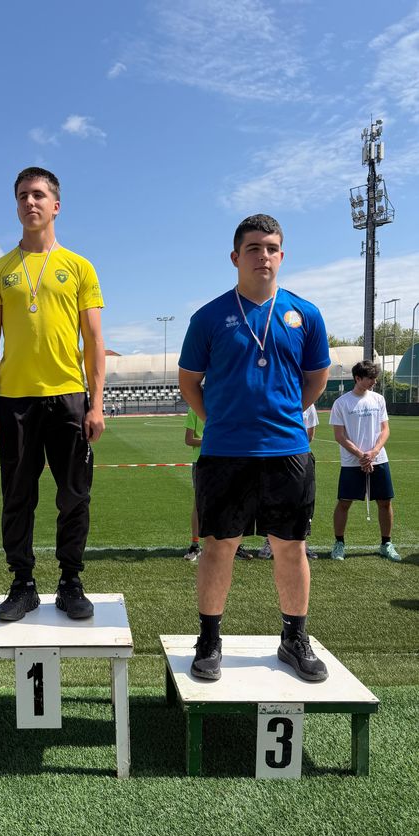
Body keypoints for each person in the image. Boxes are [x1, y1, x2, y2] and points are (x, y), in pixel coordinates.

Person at [179, 214, 330, 682]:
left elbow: (316, 380)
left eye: (271, 248)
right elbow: (189, 383)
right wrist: (222, 421)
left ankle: (294, 638)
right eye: (253, 248)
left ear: (281, 256)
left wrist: (279, 416)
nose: (262, 256)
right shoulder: (208, 317)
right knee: (218, 546)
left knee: (291, 548)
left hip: (287, 452)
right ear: (235, 257)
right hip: (225, 453)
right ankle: (209, 639)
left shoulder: (305, 314)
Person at [0, 167, 105, 621]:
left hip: (69, 397)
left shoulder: (79, 267)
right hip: (15, 402)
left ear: (56, 205)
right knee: (17, 497)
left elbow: (93, 341)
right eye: (22, 196)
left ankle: (70, 582)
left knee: (74, 495)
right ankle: (23, 583)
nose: (29, 203)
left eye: (38, 195)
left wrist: (98, 402)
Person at [329, 360, 401, 562]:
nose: (374, 382)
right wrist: (362, 455)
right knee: (344, 503)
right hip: (353, 462)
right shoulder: (341, 403)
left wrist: (374, 452)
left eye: (375, 378)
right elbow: (339, 436)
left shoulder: (378, 399)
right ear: (357, 378)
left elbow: (385, 429)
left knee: (385, 502)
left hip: (379, 460)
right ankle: (339, 543)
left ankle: (386, 543)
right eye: (370, 378)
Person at [184, 406, 251, 562]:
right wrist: (210, 440)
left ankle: (235, 545)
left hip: (227, 459)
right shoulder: (194, 408)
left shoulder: (228, 405)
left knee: (232, 503)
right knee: (199, 504)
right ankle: (195, 545)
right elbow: (188, 439)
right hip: (202, 460)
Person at [258, 404, 319, 560]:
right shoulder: (279, 399)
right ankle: (269, 541)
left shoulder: (309, 406)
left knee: (303, 501)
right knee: (274, 500)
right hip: (274, 457)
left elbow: (310, 434)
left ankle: (302, 541)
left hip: (301, 456)